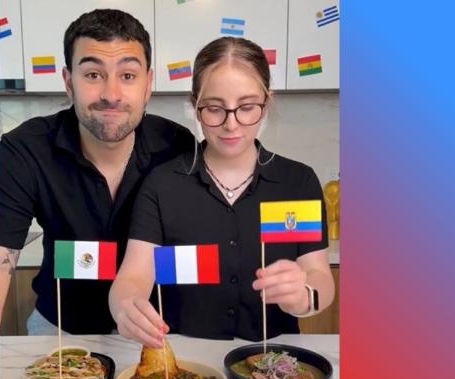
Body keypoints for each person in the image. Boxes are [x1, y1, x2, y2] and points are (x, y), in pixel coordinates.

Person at [109, 37, 335, 348]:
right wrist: (124, 305)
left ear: (266, 102)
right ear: (194, 105)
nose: (231, 124)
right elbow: (133, 275)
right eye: (214, 109)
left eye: (247, 107)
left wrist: (304, 296)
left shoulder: (297, 182)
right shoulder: (162, 184)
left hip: (271, 358)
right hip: (183, 358)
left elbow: (319, 275)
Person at [0, 9, 194, 334]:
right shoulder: (24, 151)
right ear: (68, 82)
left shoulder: (178, 146)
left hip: (153, 328)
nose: (111, 95)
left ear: (147, 84)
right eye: (92, 74)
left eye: (127, 76)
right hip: (60, 329)